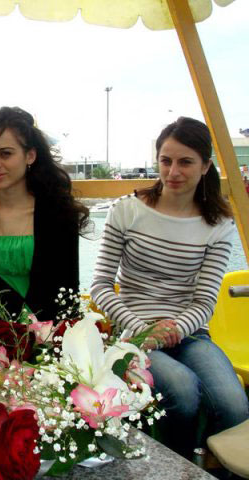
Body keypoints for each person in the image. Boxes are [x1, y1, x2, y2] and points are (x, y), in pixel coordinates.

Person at [90, 116, 249, 459]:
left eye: (185, 162)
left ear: (205, 166)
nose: (173, 171)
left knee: (234, 403)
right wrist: (143, 329)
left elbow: (205, 301)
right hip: (134, 333)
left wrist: (172, 330)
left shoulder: (218, 223)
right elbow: (101, 285)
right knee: (182, 390)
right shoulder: (126, 211)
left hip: (189, 333)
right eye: (166, 161)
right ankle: (178, 465)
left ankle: (213, 465)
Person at [0, 106, 89, 320]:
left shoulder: (59, 212)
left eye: (5, 153)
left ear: (30, 155)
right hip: (0, 329)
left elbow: (68, 288)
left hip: (54, 330)